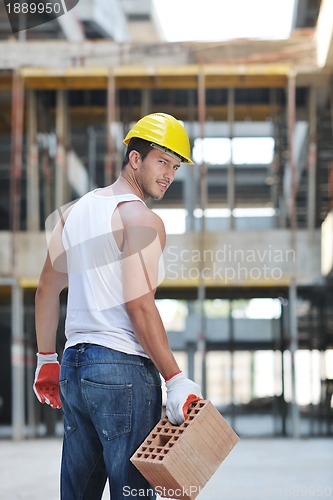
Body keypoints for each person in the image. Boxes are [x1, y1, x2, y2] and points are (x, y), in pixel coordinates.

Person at [33, 112, 202, 500]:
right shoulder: (141, 218)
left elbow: (46, 289)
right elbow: (139, 306)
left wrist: (46, 358)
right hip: (122, 369)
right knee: (134, 493)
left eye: (175, 167)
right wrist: (175, 379)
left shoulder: (71, 215)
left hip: (75, 369)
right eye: (162, 161)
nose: (168, 175)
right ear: (135, 159)